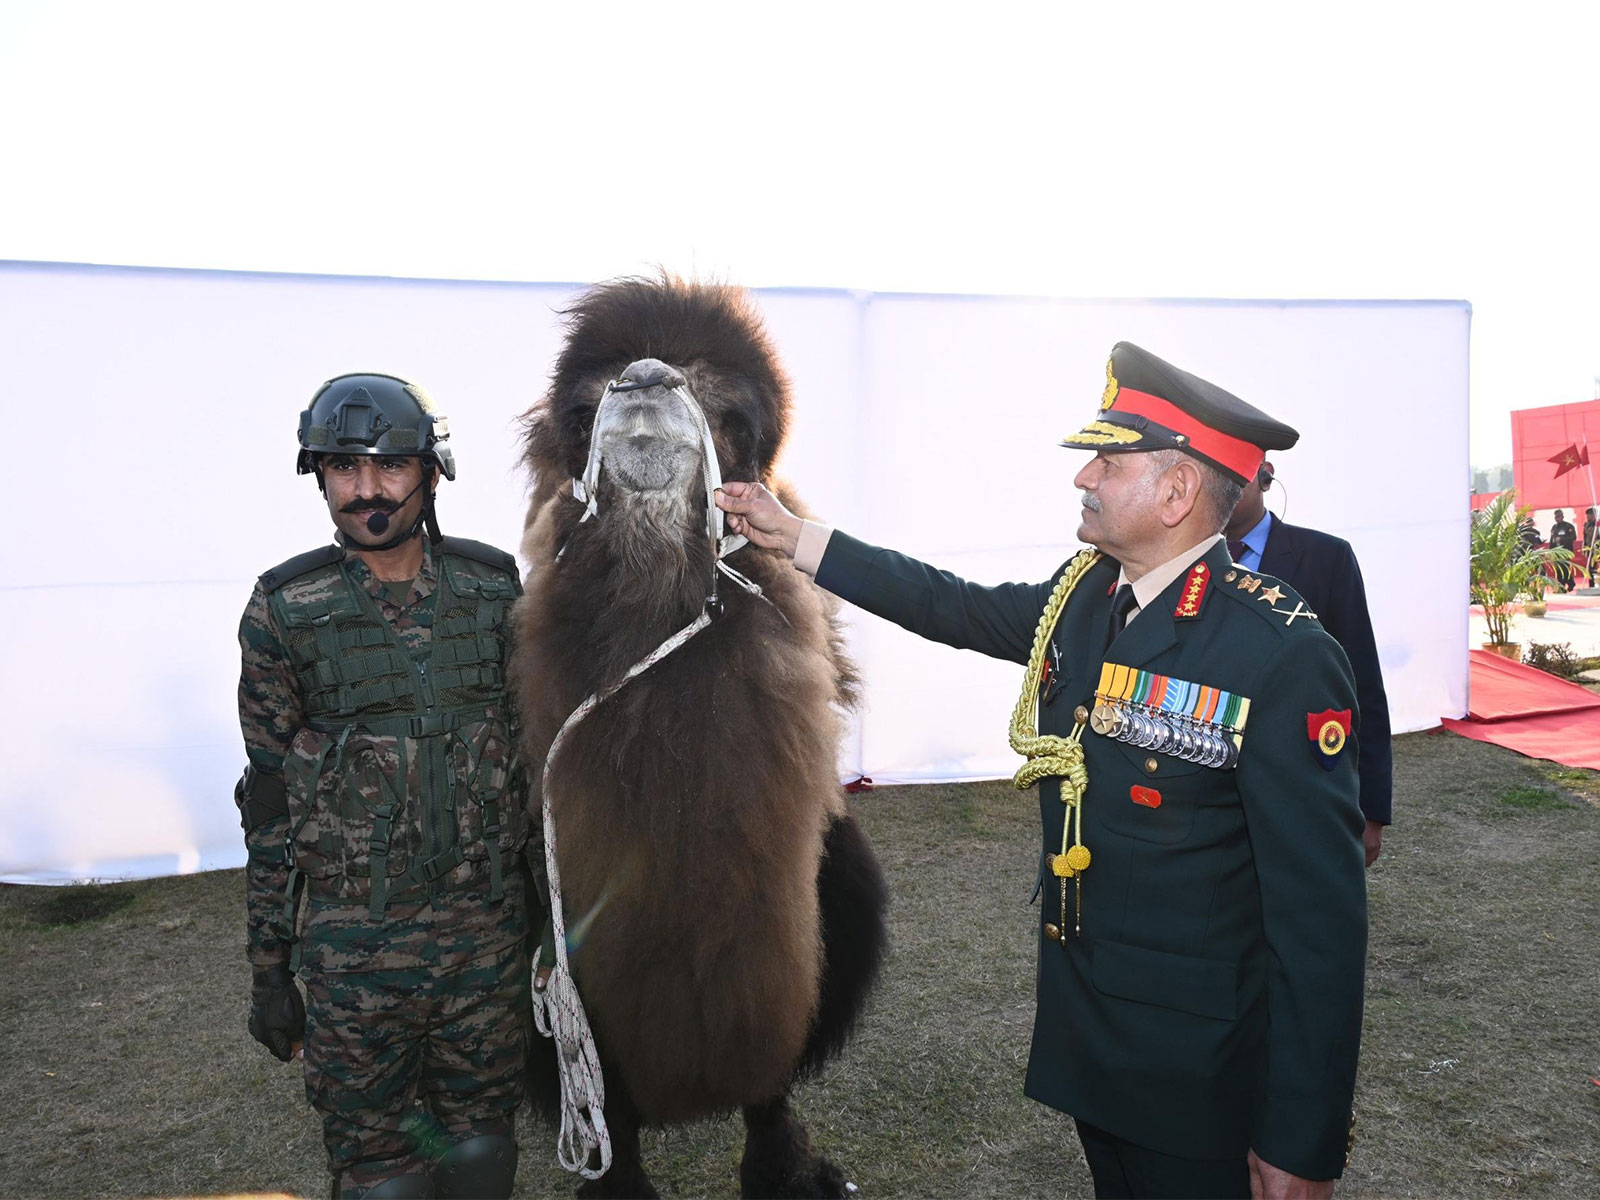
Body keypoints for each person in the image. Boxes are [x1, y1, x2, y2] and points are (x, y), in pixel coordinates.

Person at [718, 342, 1367, 1199]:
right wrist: (796, 536)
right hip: (1096, 1045)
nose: (1083, 477)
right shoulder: (1086, 597)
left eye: (1109, 459)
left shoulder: (1277, 656)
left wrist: (1301, 1142)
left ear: (1176, 493)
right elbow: (953, 604)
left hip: (1200, 1078)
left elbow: (1319, 926)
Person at [235, 373, 533, 1199]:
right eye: (341, 467)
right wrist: (270, 971)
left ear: (429, 473)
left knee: (481, 1155)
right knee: (380, 1177)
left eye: (388, 467)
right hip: (356, 962)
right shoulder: (284, 611)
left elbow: (540, 773)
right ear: (319, 474)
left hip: (487, 946)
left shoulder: (494, 593)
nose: (365, 491)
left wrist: (552, 935)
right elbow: (268, 808)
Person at [1224, 463, 1393, 866]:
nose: (1222, 486)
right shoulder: (1183, 562)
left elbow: (1361, 682)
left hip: (1303, 784)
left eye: (1235, 473)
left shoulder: (1326, 558)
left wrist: (1371, 810)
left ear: (1265, 477)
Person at [1549, 510, 1578, 592]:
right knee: (1558, 569)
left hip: (1566, 551)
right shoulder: (1554, 527)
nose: (1557, 518)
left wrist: (1561, 539)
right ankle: (1569, 583)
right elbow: (1552, 540)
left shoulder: (1568, 526)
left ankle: (1562, 587)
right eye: (1556, 517)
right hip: (1557, 552)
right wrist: (1550, 551)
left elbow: (1573, 537)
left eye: (1559, 516)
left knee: (1565, 568)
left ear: (1562, 516)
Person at [1583, 508, 1596, 586]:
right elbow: (1585, 537)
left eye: (1589, 515)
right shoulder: (1586, 525)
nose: (1587, 517)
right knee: (1590, 567)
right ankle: (1592, 584)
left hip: (1597, 548)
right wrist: (1584, 548)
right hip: (1589, 549)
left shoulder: (1597, 524)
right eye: (1587, 515)